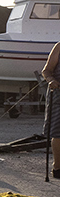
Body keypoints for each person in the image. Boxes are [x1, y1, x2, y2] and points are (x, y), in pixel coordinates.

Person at [41, 43, 60, 178]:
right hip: (59, 93)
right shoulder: (59, 47)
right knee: (58, 132)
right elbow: (46, 71)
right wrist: (51, 80)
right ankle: (57, 167)